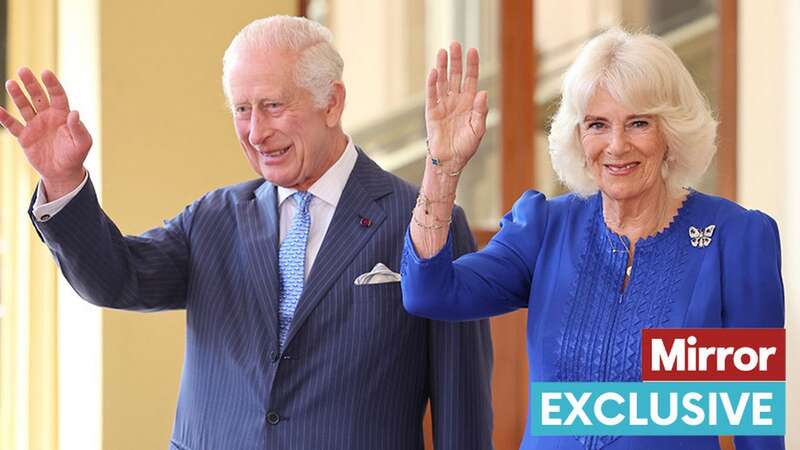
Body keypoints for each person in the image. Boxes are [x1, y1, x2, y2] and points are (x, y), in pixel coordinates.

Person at [0, 16, 493, 450]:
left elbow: (462, 410)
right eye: (241, 110)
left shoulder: (427, 220)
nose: (256, 132)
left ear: (332, 102)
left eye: (273, 106)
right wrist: (64, 182)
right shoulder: (212, 219)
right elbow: (115, 279)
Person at [401, 28, 784, 450]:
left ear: (670, 132)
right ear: (579, 137)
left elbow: (757, 427)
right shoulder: (545, 227)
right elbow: (429, 293)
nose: (616, 146)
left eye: (639, 123)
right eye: (597, 124)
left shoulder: (735, 240)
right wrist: (443, 166)